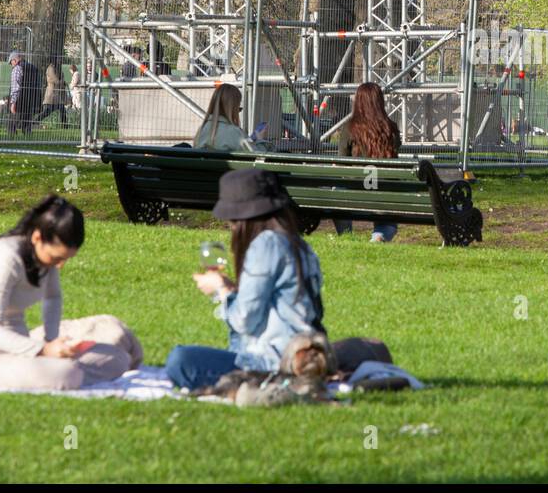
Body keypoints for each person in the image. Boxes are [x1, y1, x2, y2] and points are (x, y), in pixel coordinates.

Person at [165, 170, 325, 389]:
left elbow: (245, 320)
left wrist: (223, 290)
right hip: (304, 357)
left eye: (232, 220)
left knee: (180, 360)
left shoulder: (265, 245)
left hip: (272, 363)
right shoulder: (298, 244)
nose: (231, 227)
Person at [0, 196, 133, 389]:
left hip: (24, 352)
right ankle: (66, 376)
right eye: (57, 258)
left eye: (66, 259)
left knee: (119, 358)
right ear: (37, 237)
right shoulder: (5, 258)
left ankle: (65, 375)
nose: (60, 265)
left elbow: (53, 297)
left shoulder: (43, 259)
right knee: (66, 373)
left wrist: (52, 340)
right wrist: (44, 350)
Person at [334, 81, 402, 243]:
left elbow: (340, 164)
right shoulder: (391, 128)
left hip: (355, 192)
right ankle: (379, 236)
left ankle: (345, 235)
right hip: (384, 192)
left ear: (358, 102)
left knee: (337, 189)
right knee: (388, 220)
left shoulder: (349, 128)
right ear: (380, 102)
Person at [193, 84, 256, 151]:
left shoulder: (201, 130)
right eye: (238, 108)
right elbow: (256, 153)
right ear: (233, 108)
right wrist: (260, 140)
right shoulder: (234, 132)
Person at [7, 51, 39, 135]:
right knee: (27, 120)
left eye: (11, 62)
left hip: (20, 98)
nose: (11, 65)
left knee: (12, 120)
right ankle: (27, 135)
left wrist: (13, 102)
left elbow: (15, 86)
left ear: (15, 60)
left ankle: (11, 136)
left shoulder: (17, 68)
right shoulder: (33, 68)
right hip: (31, 98)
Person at [33, 56, 70, 128]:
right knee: (47, 111)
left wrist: (62, 82)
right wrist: (62, 82)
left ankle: (65, 126)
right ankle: (35, 121)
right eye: (58, 59)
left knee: (62, 109)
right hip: (51, 95)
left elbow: (61, 78)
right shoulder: (50, 69)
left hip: (58, 95)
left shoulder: (58, 68)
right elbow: (56, 80)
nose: (60, 60)